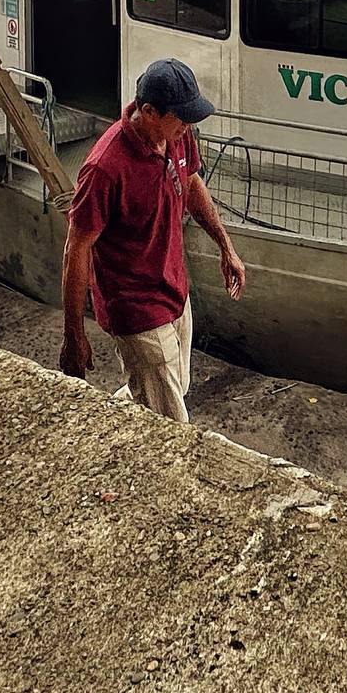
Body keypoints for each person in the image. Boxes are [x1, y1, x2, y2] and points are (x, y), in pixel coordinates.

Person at [59, 58, 246, 423]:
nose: (188, 127)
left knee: (169, 388)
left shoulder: (176, 135)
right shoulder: (104, 169)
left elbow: (191, 182)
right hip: (135, 308)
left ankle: (108, 420)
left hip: (175, 290)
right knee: (172, 420)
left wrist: (226, 248)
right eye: (181, 118)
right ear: (148, 112)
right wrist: (74, 334)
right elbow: (76, 250)